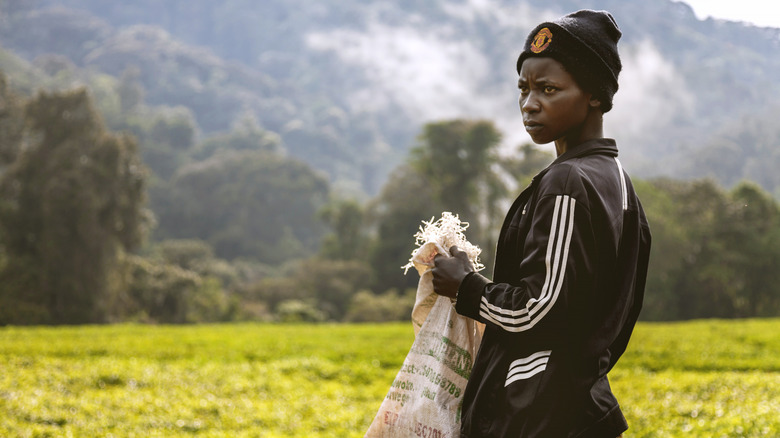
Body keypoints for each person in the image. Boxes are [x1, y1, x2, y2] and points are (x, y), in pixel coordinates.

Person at [431, 9, 651, 438]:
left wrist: (466, 288)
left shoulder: (569, 181)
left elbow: (541, 309)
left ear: (594, 95)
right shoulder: (620, 185)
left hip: (538, 417)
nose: (530, 103)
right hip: (576, 409)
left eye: (549, 89)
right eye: (524, 88)